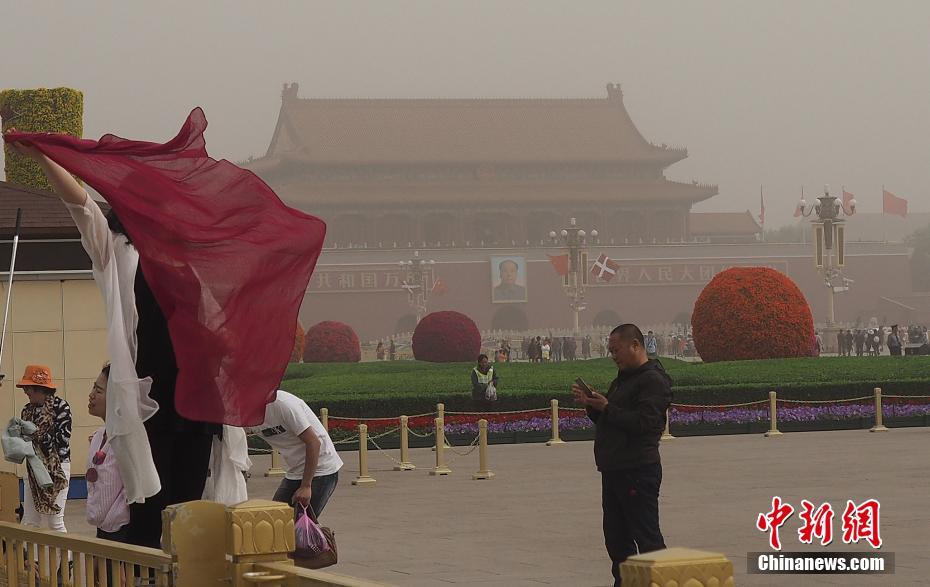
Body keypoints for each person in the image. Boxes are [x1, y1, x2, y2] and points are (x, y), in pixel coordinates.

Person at [7, 136, 221, 548]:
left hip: (197, 393)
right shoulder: (117, 250)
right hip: (148, 395)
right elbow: (80, 205)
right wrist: (43, 157)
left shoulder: (185, 256)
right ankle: (145, 571)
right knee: (149, 507)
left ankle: (185, 571)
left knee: (191, 508)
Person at [572, 325, 672, 586]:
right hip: (614, 469)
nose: (613, 356)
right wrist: (594, 406)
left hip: (637, 469)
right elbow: (613, 419)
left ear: (635, 345)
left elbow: (646, 423)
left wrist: (607, 407)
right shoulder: (623, 379)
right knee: (617, 540)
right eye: (611, 351)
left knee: (647, 539)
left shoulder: (652, 380)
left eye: (616, 350)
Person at [246, 390, 343, 517]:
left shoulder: (283, 404)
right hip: (295, 471)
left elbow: (314, 442)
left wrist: (306, 486)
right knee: (276, 520)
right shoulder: (243, 413)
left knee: (302, 523)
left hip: (321, 469)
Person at [18, 365, 72, 533]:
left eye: (28, 388)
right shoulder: (27, 411)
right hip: (33, 469)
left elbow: (62, 441)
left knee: (55, 522)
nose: (25, 392)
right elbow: (24, 442)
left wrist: (36, 434)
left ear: (39, 388)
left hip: (58, 469)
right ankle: (27, 551)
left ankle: (66, 552)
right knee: (29, 521)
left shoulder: (61, 407)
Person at [86, 363, 130, 542]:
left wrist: (114, 517)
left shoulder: (126, 439)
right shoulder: (98, 436)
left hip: (122, 532)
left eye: (98, 391)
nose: (91, 395)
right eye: (93, 388)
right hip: (102, 529)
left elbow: (132, 492)